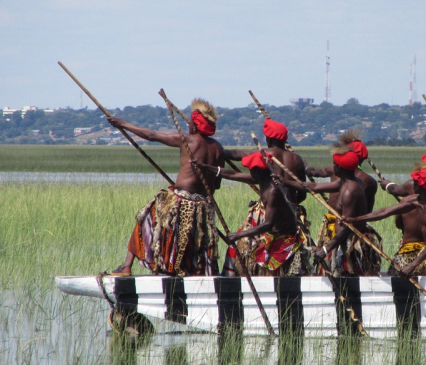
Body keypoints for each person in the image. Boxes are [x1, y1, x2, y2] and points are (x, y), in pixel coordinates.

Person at [108, 99, 222, 277]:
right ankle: (192, 271)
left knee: (145, 216)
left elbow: (152, 135)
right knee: (194, 240)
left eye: (191, 123)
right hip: (204, 206)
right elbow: (216, 185)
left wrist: (124, 124)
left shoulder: (188, 141)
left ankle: (126, 267)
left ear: (195, 125)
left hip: (182, 202)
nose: (189, 126)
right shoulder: (218, 149)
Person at [346, 164, 426, 277]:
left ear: (422, 185)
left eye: (415, 182)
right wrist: (354, 219)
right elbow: (385, 212)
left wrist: (413, 264)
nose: (412, 184)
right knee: (395, 272)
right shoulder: (413, 200)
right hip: (416, 254)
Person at [221, 118, 308, 275]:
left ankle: (234, 275)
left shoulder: (265, 155)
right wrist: (289, 205)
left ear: (269, 139)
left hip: (267, 214)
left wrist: (219, 152)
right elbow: (302, 193)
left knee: (242, 246)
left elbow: (237, 154)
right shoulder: (297, 160)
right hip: (291, 215)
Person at [303, 147, 381, 276]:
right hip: (342, 228)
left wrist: (327, 248)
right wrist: (305, 169)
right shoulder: (362, 179)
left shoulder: (348, 179)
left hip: (348, 231)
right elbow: (368, 212)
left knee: (345, 269)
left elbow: (315, 173)